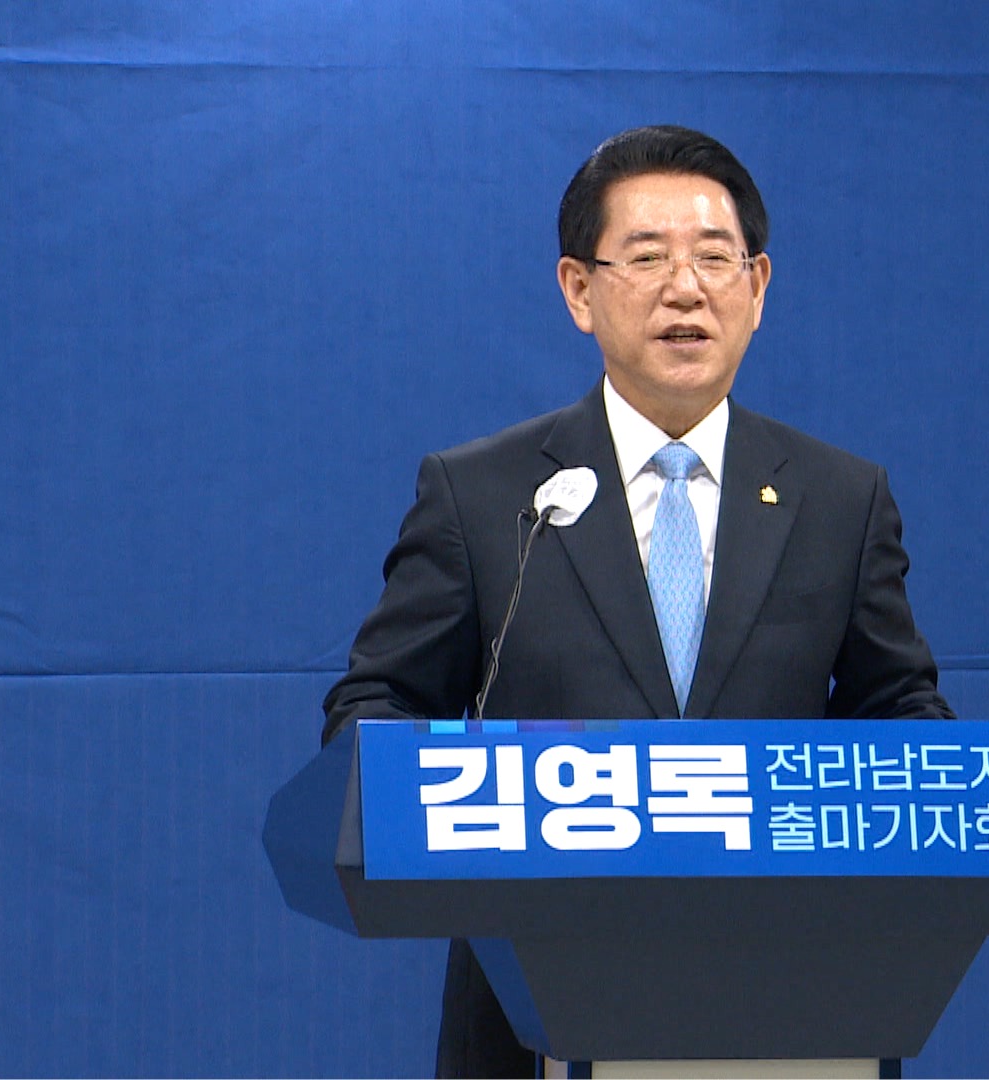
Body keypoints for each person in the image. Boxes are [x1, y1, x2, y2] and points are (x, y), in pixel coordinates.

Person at [322, 124, 954, 1078]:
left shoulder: (840, 497)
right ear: (580, 290)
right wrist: (474, 799)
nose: (685, 288)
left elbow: (901, 710)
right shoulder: (485, 496)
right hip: (540, 1003)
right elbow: (373, 710)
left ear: (758, 288)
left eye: (715, 258)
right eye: (648, 257)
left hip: (790, 996)